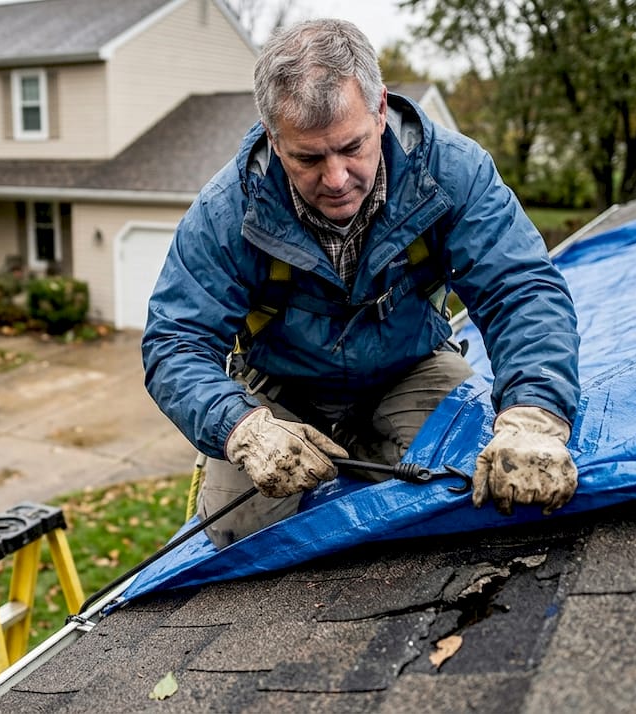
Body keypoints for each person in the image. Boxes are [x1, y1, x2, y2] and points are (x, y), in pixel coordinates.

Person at [141, 19, 581, 548]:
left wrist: (534, 412)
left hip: (409, 365)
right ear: (273, 138)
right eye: (308, 157)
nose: (335, 179)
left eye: (351, 147)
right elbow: (174, 343)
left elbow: (520, 289)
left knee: (472, 491)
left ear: (380, 111)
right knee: (236, 535)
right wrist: (238, 427)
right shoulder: (224, 213)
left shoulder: (454, 173)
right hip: (281, 391)